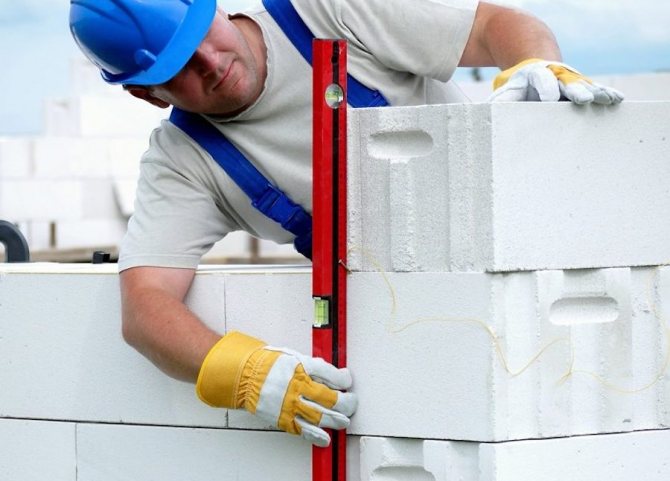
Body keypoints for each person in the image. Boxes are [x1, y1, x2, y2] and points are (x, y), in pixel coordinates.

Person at [68, 0, 623, 447]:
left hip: (536, 258)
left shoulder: (325, 12)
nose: (210, 64)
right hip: (420, 334)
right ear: (146, 93)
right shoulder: (184, 160)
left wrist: (533, 64)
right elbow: (144, 311)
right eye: (179, 69)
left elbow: (495, 25)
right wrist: (243, 373)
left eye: (200, 36)